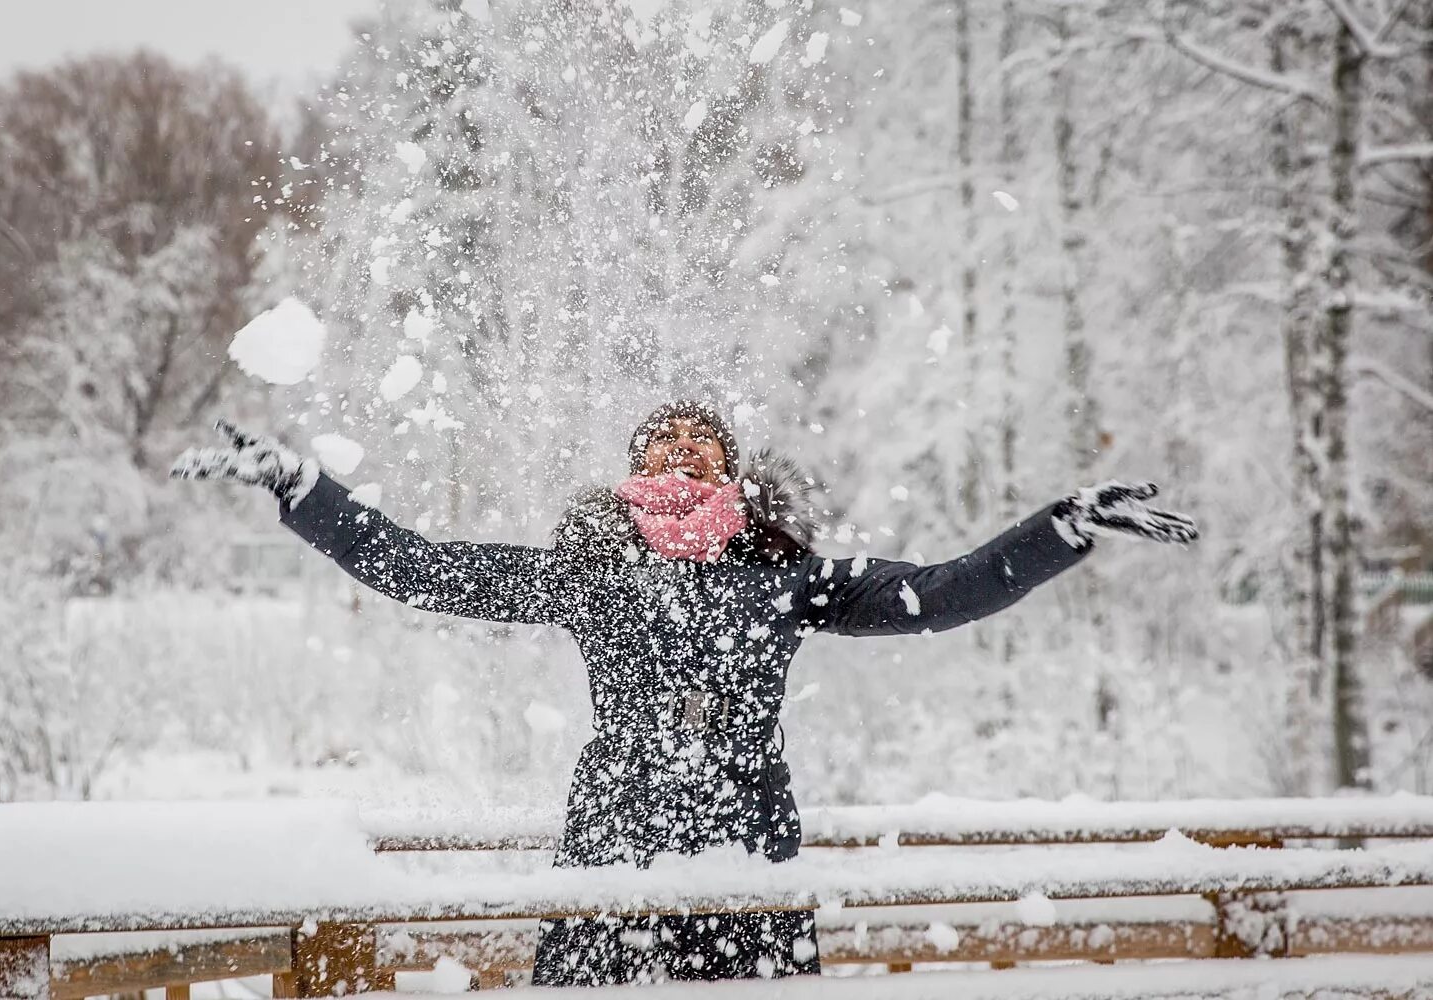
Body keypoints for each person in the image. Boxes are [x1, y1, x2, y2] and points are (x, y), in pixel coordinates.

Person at [171, 399, 1197, 985]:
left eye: (699, 440)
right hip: (610, 837)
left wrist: (1062, 525)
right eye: (659, 440)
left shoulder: (789, 576)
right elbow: (422, 567)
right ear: (630, 469)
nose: (678, 448)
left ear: (731, 470)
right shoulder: (589, 571)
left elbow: (938, 593)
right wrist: (304, 490)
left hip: (743, 841)